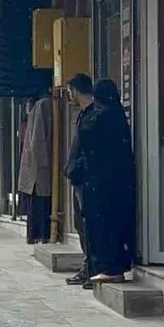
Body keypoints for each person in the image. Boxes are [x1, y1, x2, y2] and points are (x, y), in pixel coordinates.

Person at [89, 79, 137, 282]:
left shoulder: (105, 116)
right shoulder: (116, 114)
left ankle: (111, 267)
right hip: (118, 180)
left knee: (108, 224)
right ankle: (114, 264)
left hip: (108, 181)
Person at [63, 73, 101, 288]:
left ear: (75, 90)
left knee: (87, 224)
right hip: (80, 177)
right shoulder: (85, 114)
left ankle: (91, 267)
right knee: (80, 223)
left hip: (87, 179)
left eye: (69, 91)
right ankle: (88, 266)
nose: (69, 96)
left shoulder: (94, 114)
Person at [17, 85, 54, 244]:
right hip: (39, 168)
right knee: (40, 202)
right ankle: (41, 235)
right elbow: (37, 142)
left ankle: (38, 235)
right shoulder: (44, 105)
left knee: (38, 203)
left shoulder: (40, 106)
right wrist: (46, 165)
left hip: (36, 166)